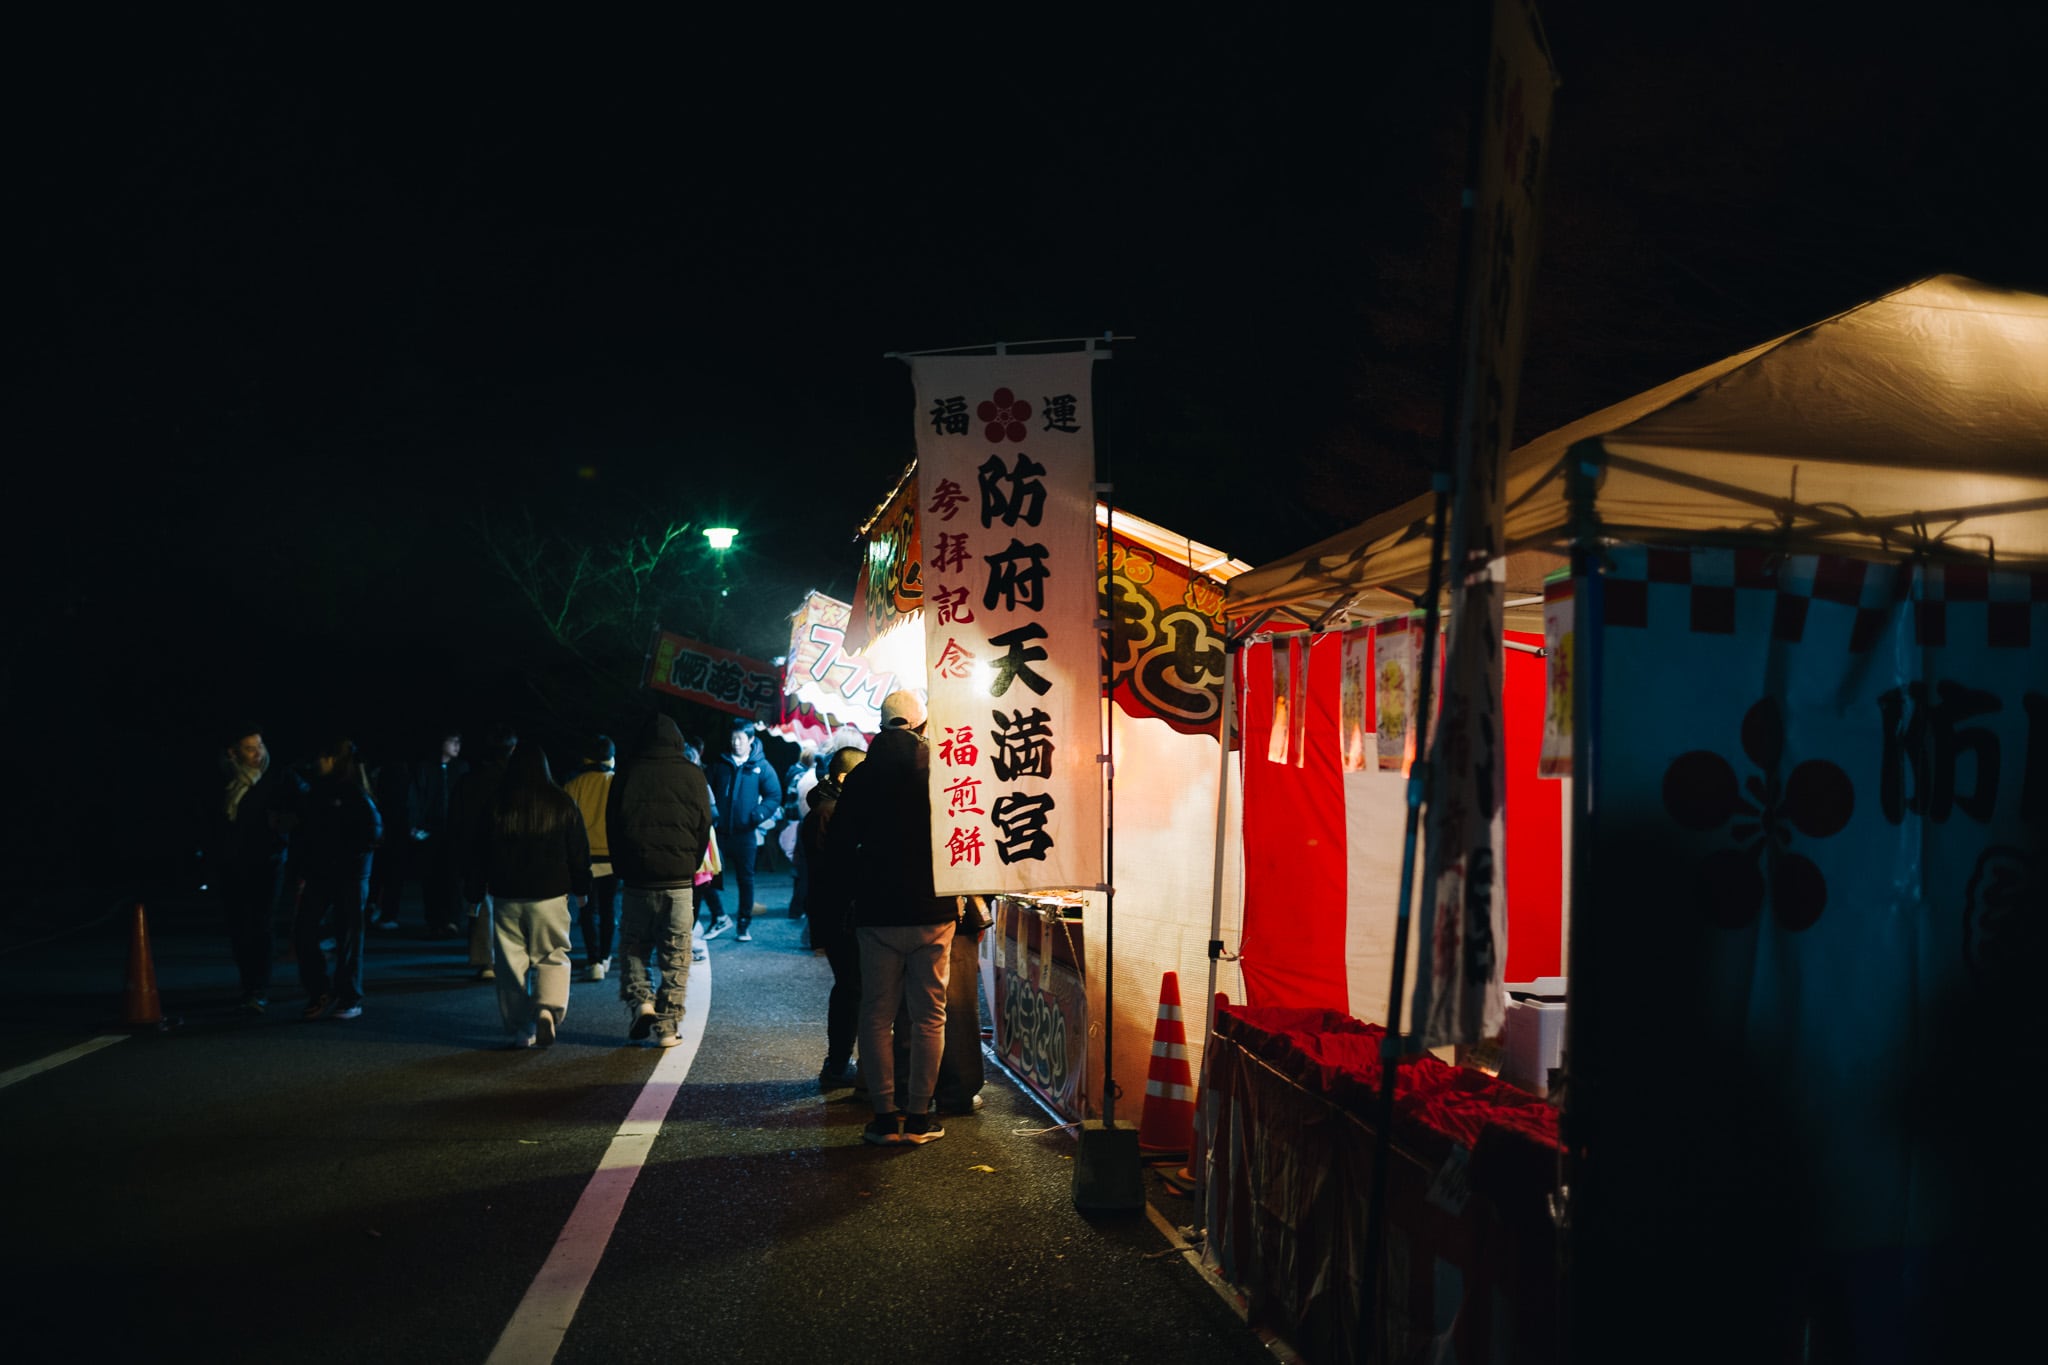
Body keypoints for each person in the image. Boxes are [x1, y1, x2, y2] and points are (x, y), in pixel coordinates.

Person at [820, 689, 953, 1146]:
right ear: (921, 725)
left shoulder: (861, 776)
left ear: (881, 726)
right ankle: (919, 1118)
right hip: (934, 910)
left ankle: (883, 1117)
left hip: (877, 913)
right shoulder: (940, 769)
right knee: (929, 1016)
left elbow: (838, 847)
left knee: (876, 1015)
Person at [466, 743, 590, 1048]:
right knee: (552, 954)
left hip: (506, 895)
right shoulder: (562, 803)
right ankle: (547, 1009)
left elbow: (478, 855)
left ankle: (522, 1029)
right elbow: (578, 852)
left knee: (510, 964)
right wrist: (582, 888)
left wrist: (474, 894)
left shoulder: (497, 804)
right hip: (550, 894)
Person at [606, 713, 712, 1048]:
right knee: (676, 955)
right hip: (679, 880)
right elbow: (703, 825)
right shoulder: (693, 774)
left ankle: (642, 1002)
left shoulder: (628, 773)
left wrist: (623, 868)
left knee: (634, 946)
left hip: (638, 879)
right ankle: (667, 1027)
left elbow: (613, 825)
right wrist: (690, 865)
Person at [216, 726, 305, 1013]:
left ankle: (259, 988)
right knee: (238, 926)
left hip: (267, 861)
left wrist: (285, 824)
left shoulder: (278, 778)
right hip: (232, 865)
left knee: (261, 924)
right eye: (250, 748)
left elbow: (305, 805)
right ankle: (248, 984)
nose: (258, 753)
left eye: (260, 746)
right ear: (233, 753)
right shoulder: (227, 780)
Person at [294, 737, 383, 1021]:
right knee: (306, 931)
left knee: (348, 936)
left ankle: (348, 995)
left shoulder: (353, 793)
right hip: (322, 873)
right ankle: (322, 991)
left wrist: (343, 856)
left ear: (333, 759)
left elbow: (372, 833)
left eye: (321, 757)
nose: (316, 762)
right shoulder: (318, 791)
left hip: (349, 875)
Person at [802, 745, 866, 1089]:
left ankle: (840, 1062)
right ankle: (838, 1063)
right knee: (851, 987)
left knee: (852, 986)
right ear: (843, 777)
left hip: (838, 913)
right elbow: (829, 871)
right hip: (839, 915)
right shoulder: (828, 812)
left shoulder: (831, 808)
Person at [705, 718, 781, 942]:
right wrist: (711, 815)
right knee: (706, 877)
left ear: (751, 739)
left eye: (740, 738)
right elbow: (704, 789)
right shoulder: (720, 764)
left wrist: (757, 815)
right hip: (719, 833)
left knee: (745, 880)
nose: (736, 743)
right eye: (733, 738)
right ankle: (719, 917)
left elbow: (774, 795)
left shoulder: (761, 766)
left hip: (746, 834)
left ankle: (743, 924)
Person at [450, 726, 517, 980]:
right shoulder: (516, 781)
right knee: (511, 906)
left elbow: (456, 818)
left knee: (481, 906)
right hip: (510, 849)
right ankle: (511, 958)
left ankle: (486, 960)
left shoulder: (469, 779)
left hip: (476, 850)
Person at [387, 730, 467, 936]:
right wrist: (414, 825)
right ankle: (435, 920)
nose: (457, 746)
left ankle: (452, 920)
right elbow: (414, 797)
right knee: (431, 878)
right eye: (452, 741)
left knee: (453, 878)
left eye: (458, 742)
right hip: (430, 830)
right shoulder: (425, 768)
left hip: (454, 831)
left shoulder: (461, 769)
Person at [562, 735, 618, 981]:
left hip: (583, 859)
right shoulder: (617, 783)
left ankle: (593, 961)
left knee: (587, 911)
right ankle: (605, 957)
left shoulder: (573, 785)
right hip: (612, 858)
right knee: (608, 909)